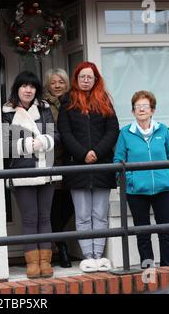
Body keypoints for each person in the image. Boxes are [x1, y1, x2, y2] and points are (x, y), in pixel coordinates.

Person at [57, 61, 119, 273]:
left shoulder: (104, 101)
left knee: (100, 214)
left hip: (102, 166)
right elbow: (65, 133)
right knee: (83, 215)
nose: (85, 80)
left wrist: (97, 152)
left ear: (95, 79)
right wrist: (83, 154)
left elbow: (113, 131)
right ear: (76, 79)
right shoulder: (67, 101)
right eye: (82, 77)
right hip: (77, 166)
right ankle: (87, 256)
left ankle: (99, 256)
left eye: (89, 77)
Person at [2, 71, 59, 279]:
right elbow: (4, 145)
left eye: (32, 86)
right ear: (17, 88)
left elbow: (56, 135)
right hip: (22, 171)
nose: (28, 90)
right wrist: (27, 145)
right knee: (29, 218)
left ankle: (46, 262)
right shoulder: (6, 112)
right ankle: (32, 263)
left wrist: (44, 142)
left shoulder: (44, 109)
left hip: (46, 169)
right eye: (24, 86)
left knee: (45, 217)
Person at [114, 90, 169, 268]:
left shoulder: (162, 130)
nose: (141, 109)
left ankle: (168, 271)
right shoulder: (126, 133)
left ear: (152, 110)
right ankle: (148, 272)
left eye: (145, 106)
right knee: (143, 235)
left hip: (163, 189)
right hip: (136, 192)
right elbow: (118, 161)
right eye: (137, 106)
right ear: (133, 111)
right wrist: (130, 180)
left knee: (165, 232)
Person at [43, 68, 74, 268]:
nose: (57, 86)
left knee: (71, 206)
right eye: (53, 82)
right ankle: (62, 247)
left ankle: (59, 240)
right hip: (53, 162)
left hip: (73, 162)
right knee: (53, 209)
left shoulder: (73, 102)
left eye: (60, 82)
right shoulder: (43, 106)